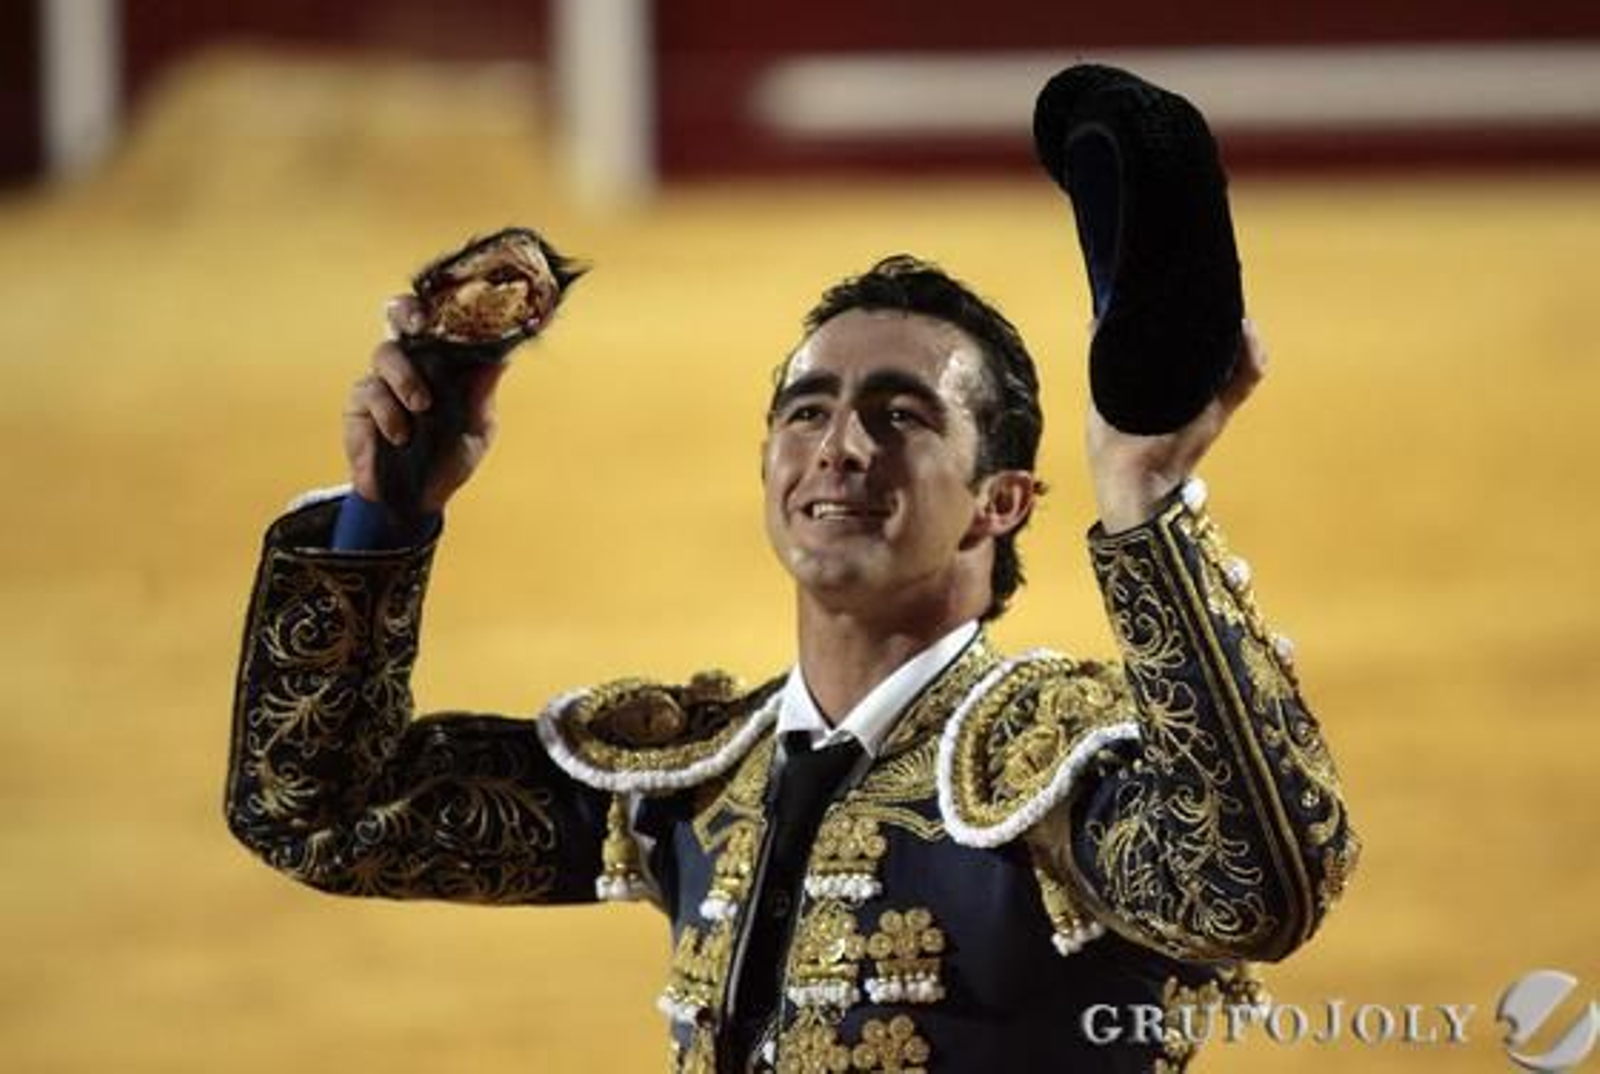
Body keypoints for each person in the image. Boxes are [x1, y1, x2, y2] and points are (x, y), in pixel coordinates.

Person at [226, 254, 1357, 1072]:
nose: (840, 447)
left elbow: (1251, 889)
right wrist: (388, 514)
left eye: (901, 416)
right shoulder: (698, 780)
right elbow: (321, 813)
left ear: (999, 503)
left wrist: (1146, 501)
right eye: (807, 411)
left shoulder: (1059, 767)